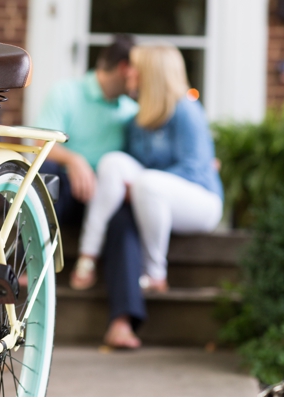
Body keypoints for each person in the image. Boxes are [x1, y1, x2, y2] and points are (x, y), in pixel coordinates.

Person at [69, 43, 223, 349]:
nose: (129, 73)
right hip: (152, 195)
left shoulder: (186, 110)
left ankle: (155, 273)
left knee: (149, 183)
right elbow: (128, 167)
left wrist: (140, 186)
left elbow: (195, 170)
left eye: (135, 69)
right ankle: (87, 256)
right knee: (113, 162)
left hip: (200, 200)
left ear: (150, 75)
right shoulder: (138, 118)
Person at [35, 35, 139, 226]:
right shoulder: (65, 92)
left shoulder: (132, 111)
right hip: (67, 186)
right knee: (45, 172)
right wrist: (74, 160)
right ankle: (31, 252)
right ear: (125, 68)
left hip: (108, 192)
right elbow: (40, 142)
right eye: (139, 71)